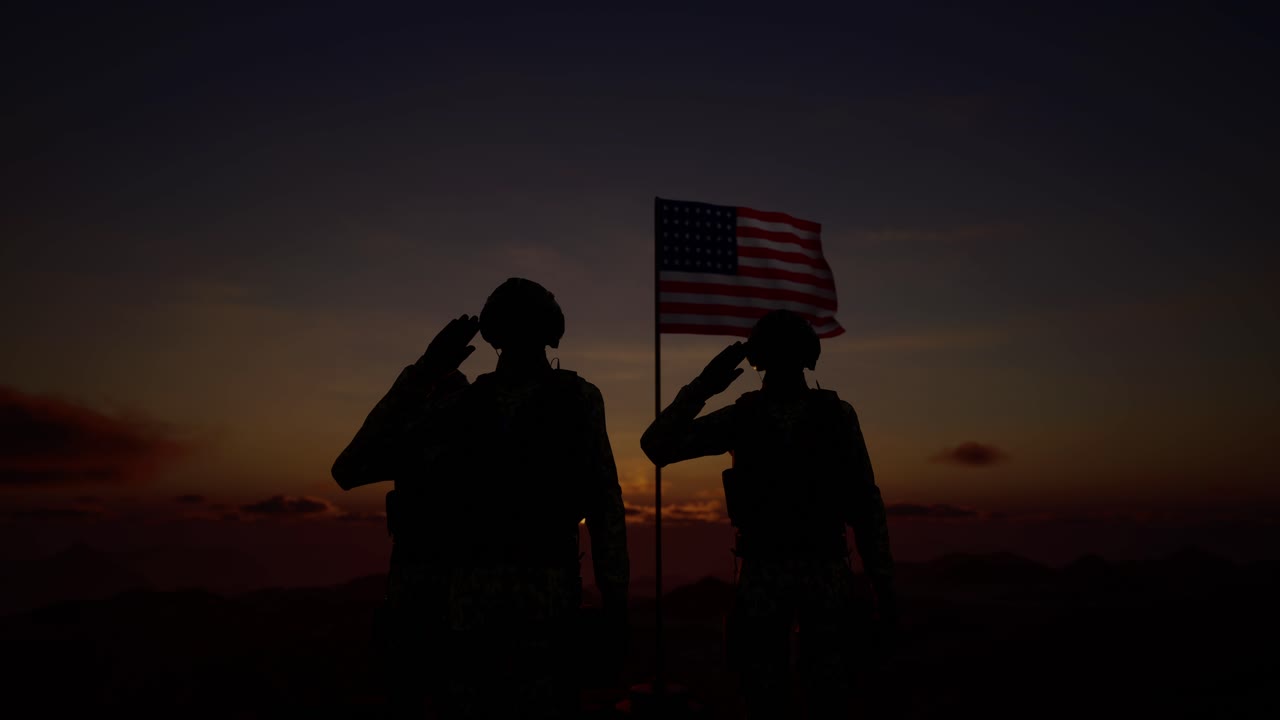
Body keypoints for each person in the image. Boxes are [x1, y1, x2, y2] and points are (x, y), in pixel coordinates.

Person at [332, 277, 630, 719]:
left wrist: (423, 374)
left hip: (492, 610)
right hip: (513, 607)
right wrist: (615, 602)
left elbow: (353, 466)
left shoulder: (472, 407)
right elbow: (604, 503)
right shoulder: (564, 400)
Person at [640, 309, 895, 718]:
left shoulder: (761, 417)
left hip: (789, 570)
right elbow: (866, 503)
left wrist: (704, 386)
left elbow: (865, 501)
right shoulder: (815, 416)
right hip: (804, 570)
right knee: (801, 689)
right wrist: (882, 581)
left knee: (790, 690)